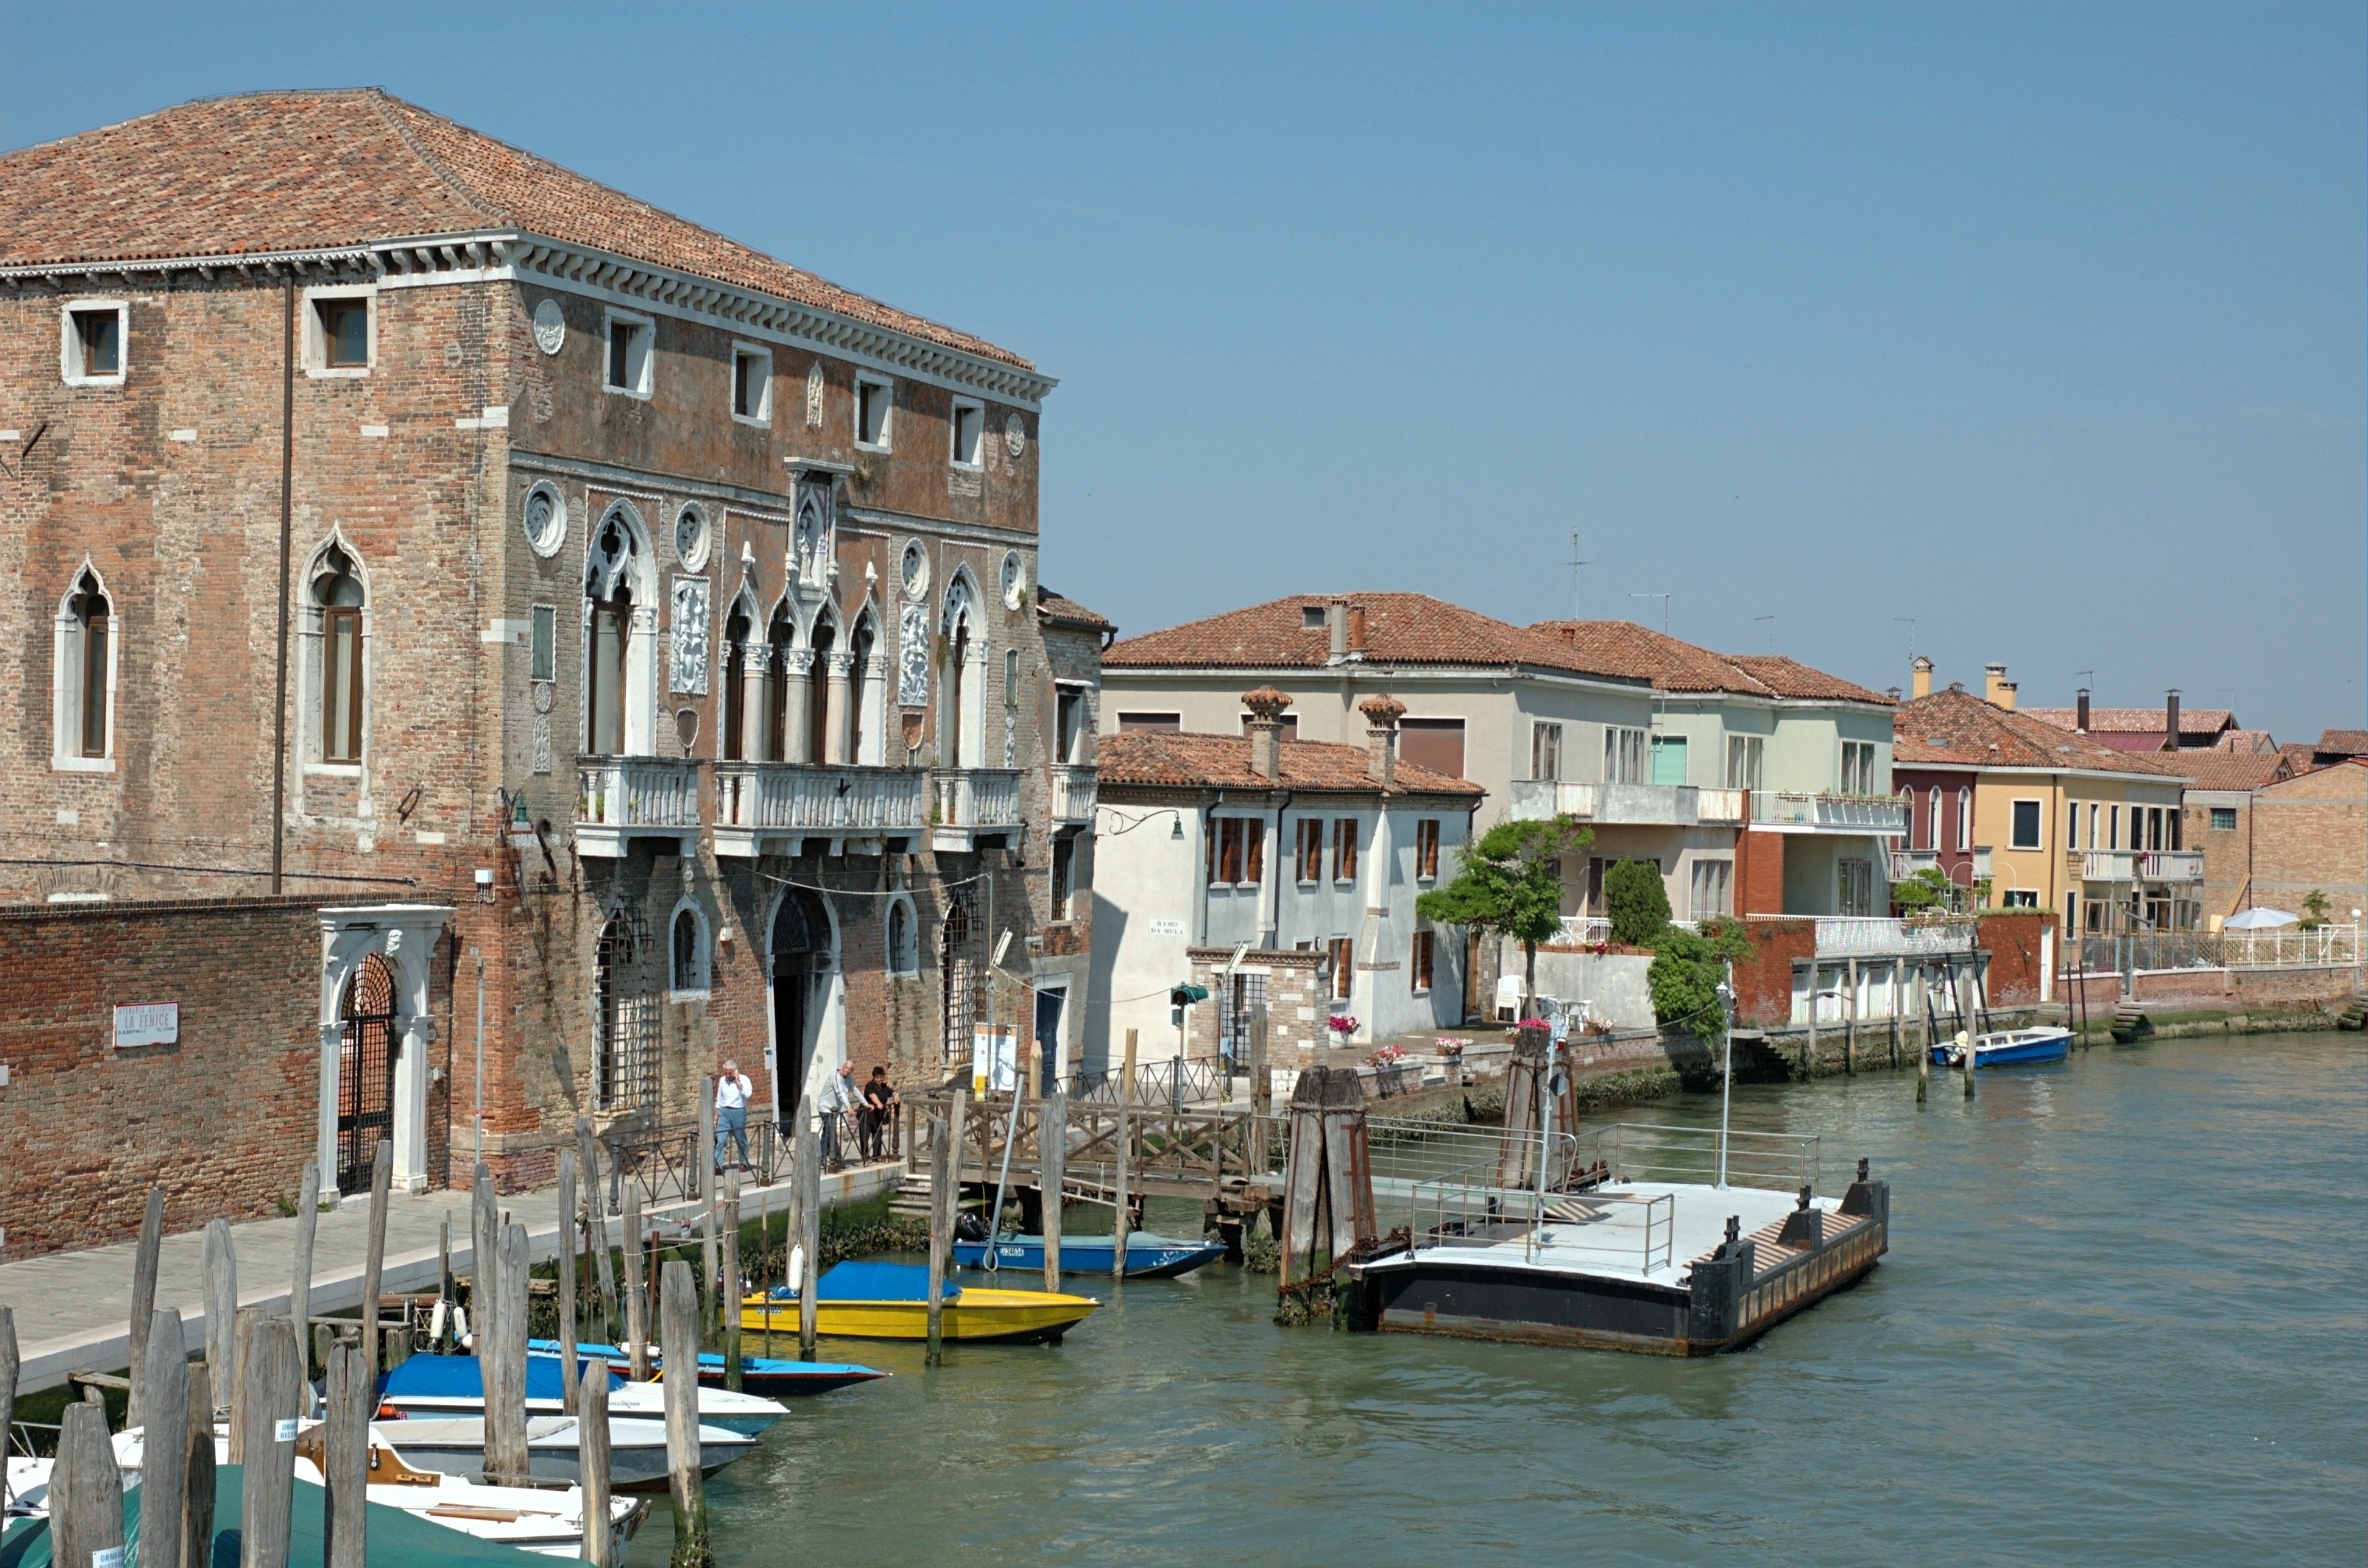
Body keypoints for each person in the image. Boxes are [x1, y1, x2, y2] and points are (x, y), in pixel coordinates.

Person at [816, 1058, 859, 1172]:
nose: (848, 1071)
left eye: (850, 1070)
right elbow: (840, 1093)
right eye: (847, 1068)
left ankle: (821, 1158)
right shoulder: (834, 1076)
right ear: (843, 1067)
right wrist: (848, 1107)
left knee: (826, 1133)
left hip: (833, 1110)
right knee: (831, 1132)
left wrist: (866, 1103)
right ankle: (836, 1159)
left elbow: (855, 1090)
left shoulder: (848, 1078)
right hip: (825, 1108)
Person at [714, 1058, 753, 1171]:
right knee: (721, 1139)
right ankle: (717, 1165)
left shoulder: (744, 1079)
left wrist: (738, 1082)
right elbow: (720, 1098)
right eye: (725, 1073)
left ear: (735, 1071)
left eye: (729, 1073)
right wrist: (717, 1113)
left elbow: (748, 1094)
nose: (727, 1075)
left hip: (738, 1111)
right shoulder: (722, 1080)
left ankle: (744, 1162)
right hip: (725, 1111)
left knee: (740, 1139)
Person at [859, 1065, 899, 1162]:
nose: (879, 1079)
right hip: (866, 1116)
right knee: (864, 1137)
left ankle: (876, 1157)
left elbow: (892, 1092)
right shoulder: (870, 1085)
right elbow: (872, 1096)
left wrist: (896, 1096)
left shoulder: (884, 1087)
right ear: (874, 1077)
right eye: (877, 1077)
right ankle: (865, 1157)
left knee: (877, 1136)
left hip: (877, 1116)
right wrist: (878, 1103)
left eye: (881, 1077)